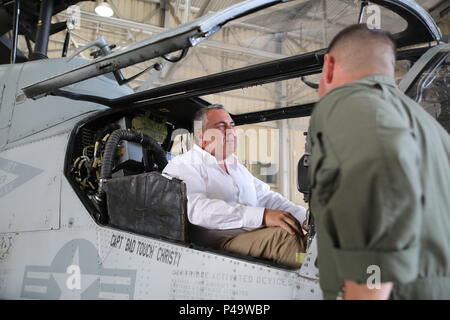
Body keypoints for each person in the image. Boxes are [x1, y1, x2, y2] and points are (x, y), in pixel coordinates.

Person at [309, 23, 450, 300]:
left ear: (328, 66)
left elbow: (381, 163)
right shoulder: (429, 127)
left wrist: (369, 282)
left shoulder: (348, 99)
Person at [163, 104, 307, 267]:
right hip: (218, 244)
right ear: (201, 135)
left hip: (252, 236)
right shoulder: (185, 164)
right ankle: (320, 272)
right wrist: (263, 216)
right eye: (221, 126)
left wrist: (304, 218)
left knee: (310, 239)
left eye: (232, 126)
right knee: (285, 240)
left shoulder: (237, 168)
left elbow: (267, 197)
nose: (231, 132)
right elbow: (197, 210)